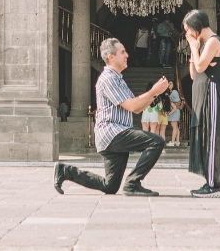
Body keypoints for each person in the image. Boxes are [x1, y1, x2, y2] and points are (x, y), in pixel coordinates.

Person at [53, 37, 169, 197]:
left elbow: (137, 108)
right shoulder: (108, 78)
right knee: (156, 141)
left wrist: (154, 94)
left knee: (110, 186)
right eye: (123, 52)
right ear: (111, 57)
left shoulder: (118, 79)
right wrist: (153, 91)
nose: (127, 55)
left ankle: (66, 171)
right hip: (113, 133)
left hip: (115, 134)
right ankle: (133, 183)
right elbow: (134, 106)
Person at [185, 8, 220, 197]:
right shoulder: (204, 45)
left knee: (212, 137)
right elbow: (193, 73)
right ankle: (209, 181)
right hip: (202, 95)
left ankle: (214, 185)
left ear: (196, 27)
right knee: (205, 138)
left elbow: (200, 66)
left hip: (211, 94)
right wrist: (193, 50)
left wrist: (194, 49)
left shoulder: (213, 41)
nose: (187, 34)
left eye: (188, 29)